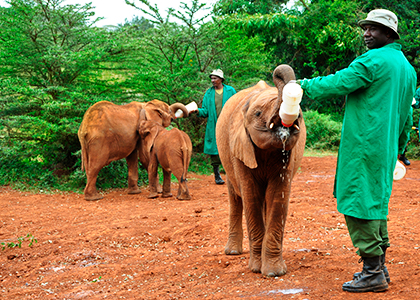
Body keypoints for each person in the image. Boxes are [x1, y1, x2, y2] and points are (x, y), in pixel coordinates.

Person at [296, 9, 416, 293]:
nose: (366, 33)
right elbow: (406, 119)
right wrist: (398, 150)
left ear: (389, 34)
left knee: (358, 204)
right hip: (384, 150)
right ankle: (380, 268)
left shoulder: (372, 61)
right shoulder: (407, 69)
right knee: (375, 204)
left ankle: (372, 271)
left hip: (363, 147)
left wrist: (299, 86)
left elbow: (337, 82)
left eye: (374, 29)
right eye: (365, 28)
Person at [195, 69, 236, 184]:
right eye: (211, 78)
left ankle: (231, 175)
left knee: (229, 148)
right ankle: (217, 175)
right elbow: (205, 111)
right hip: (214, 125)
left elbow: (237, 105)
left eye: (215, 78)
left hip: (228, 124)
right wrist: (196, 111)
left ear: (221, 79)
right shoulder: (208, 93)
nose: (213, 81)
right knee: (215, 150)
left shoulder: (230, 91)